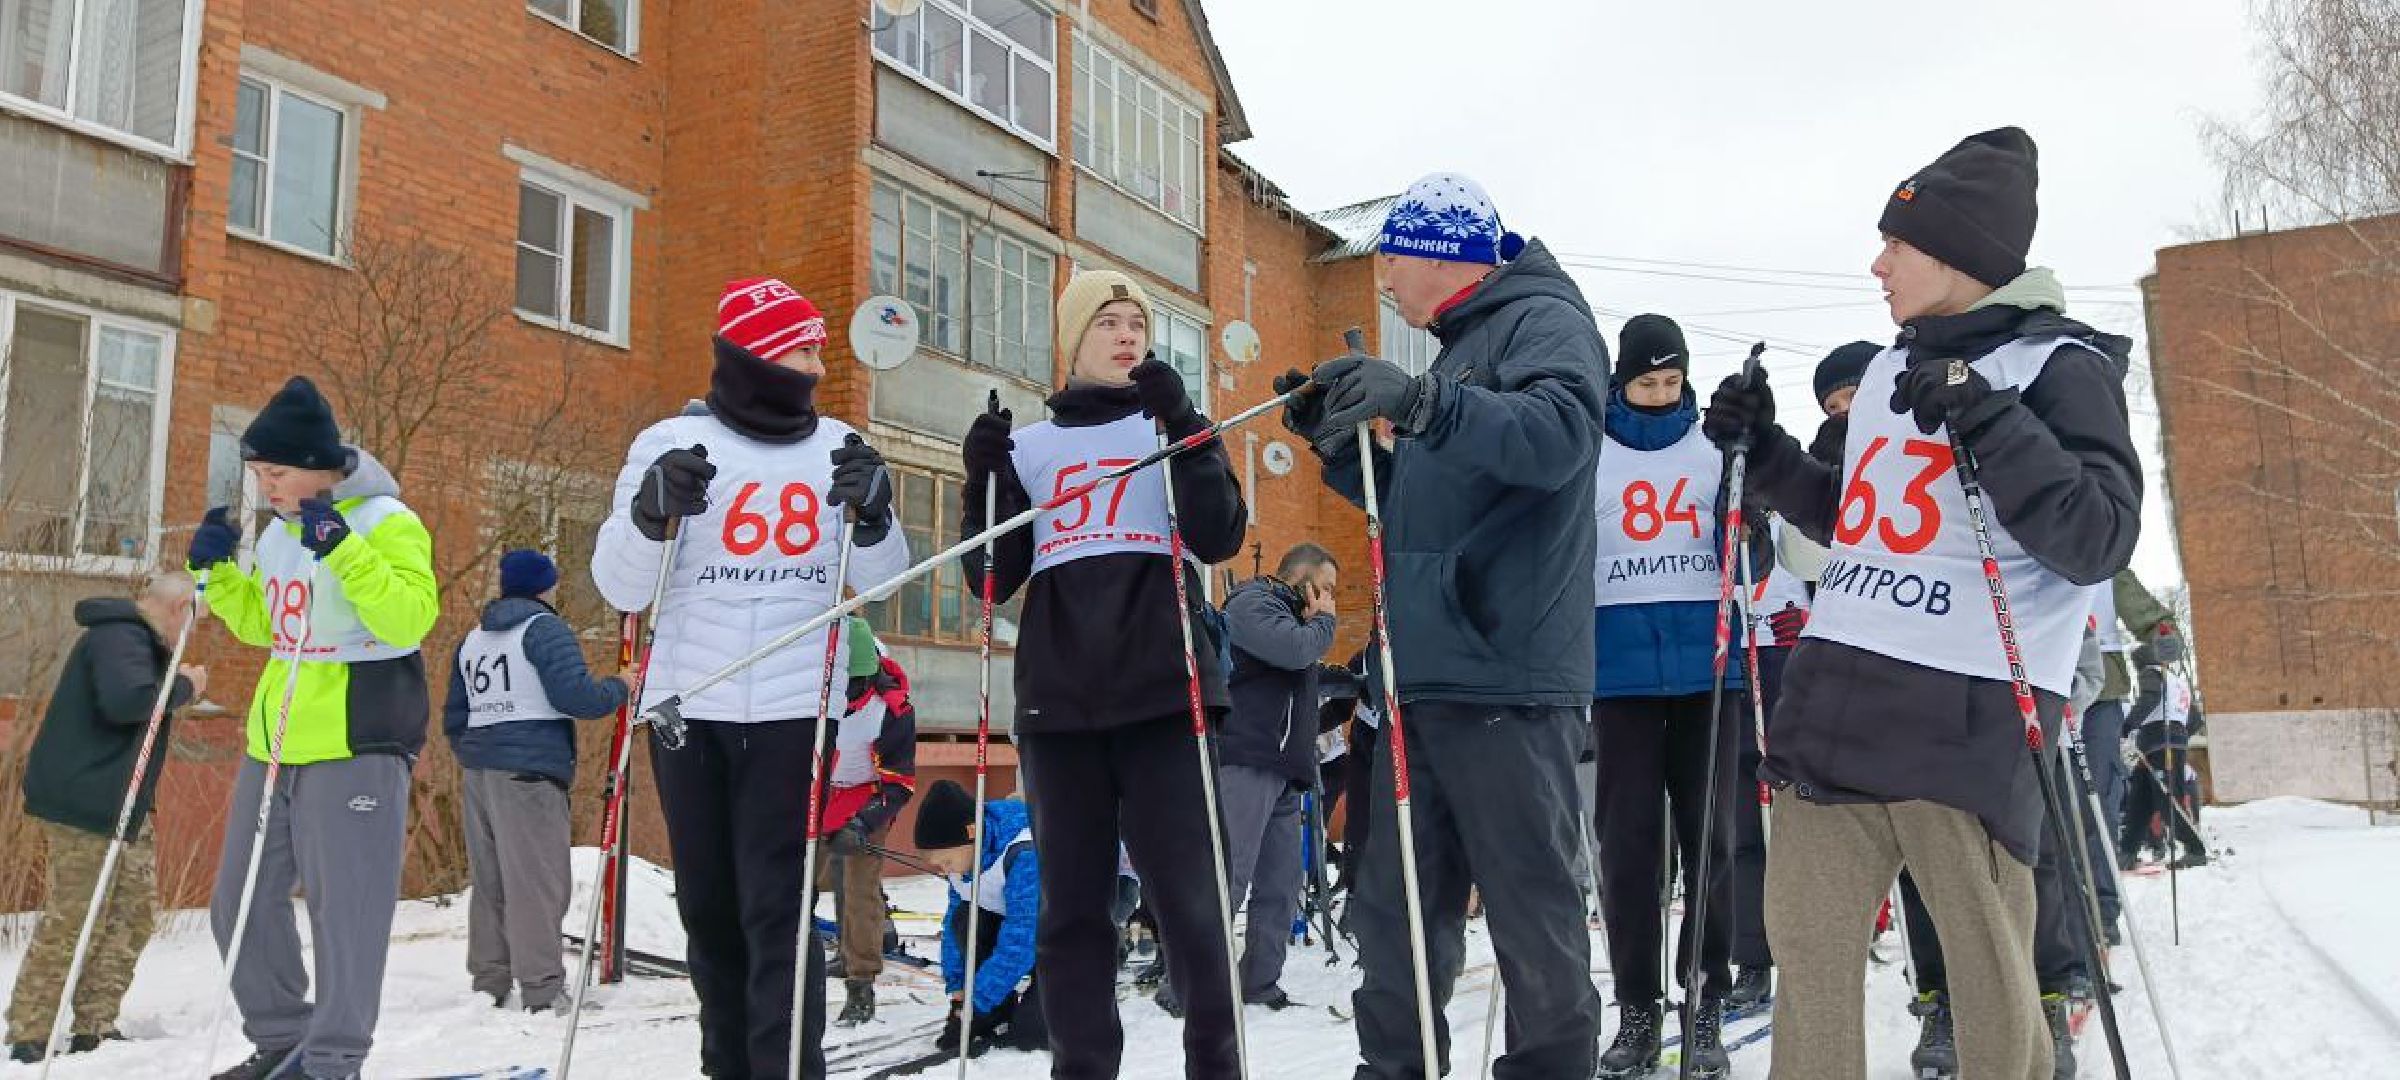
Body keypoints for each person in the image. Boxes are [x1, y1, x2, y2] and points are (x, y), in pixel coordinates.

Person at [1704, 127, 2142, 1080]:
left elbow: (2098, 538)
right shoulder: (1890, 378)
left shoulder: (2058, 369)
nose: (1878, 263)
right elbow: (1857, 521)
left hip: (1967, 723)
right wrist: (1770, 454)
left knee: (1988, 983)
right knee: (1810, 964)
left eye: (1896, 246)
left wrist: (1993, 420)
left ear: (1959, 254)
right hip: (1835, 713)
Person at [1278, 171, 1606, 1079]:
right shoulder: (1459, 352)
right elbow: (1424, 508)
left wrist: (1421, 403)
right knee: (1393, 915)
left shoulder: (1547, 321)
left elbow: (1559, 439)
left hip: (1506, 673)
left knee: (1530, 916)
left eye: (1391, 257)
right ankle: (1395, 1069)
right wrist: (1340, 449)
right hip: (1420, 679)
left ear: (1442, 253)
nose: (1380, 277)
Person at [591, 278, 907, 1080]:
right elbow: (622, 588)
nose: (816, 368)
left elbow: (884, 579)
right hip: (689, 706)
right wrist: (648, 515)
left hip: (797, 709)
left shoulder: (837, 441)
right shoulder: (669, 441)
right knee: (709, 911)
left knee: (778, 910)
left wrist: (873, 513)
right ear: (756, 353)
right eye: (801, 350)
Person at [957, 268, 1247, 1078]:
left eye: (1137, 325)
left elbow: (1220, 533)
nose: (1127, 336)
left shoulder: (1172, 428)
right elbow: (988, 577)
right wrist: (981, 478)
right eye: (1108, 323)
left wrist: (1186, 424)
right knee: (1072, 912)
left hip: (1164, 694)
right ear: (1073, 340)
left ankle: (1216, 1065)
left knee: (1190, 904)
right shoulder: (1033, 447)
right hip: (1061, 708)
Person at [188, 376, 441, 1080]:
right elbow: (273, 629)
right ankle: (281, 1041)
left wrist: (344, 549)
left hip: (356, 736)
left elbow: (408, 620)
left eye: (276, 471)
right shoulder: (280, 536)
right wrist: (217, 578)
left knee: (346, 913)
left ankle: (332, 1062)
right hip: (275, 740)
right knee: (237, 903)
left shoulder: (388, 519)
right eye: (258, 474)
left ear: (319, 465)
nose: (265, 486)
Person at [1583, 313, 1764, 1079]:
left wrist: (1746, 512)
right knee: (1628, 849)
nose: (1660, 396)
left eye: (1671, 381)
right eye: (1646, 382)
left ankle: (1707, 1004)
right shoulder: (1592, 450)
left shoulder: (1715, 446)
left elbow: (1748, 558)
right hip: (1619, 671)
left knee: (1711, 843)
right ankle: (1636, 1008)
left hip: (1707, 670)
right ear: (1621, 380)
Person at [5, 575, 203, 1062]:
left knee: (131, 914)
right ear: (180, 608)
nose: (191, 635)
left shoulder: (134, 640)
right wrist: (185, 686)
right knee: (76, 916)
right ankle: (31, 1031)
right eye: (195, 621)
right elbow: (127, 701)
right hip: (87, 803)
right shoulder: (120, 636)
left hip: (119, 804)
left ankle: (95, 1024)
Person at [443, 549, 630, 1013]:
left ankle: (490, 982)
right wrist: (622, 685)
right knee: (538, 882)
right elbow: (576, 696)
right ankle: (543, 991)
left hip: (479, 772)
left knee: (492, 882)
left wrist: (474, 754)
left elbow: (455, 715)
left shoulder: (474, 639)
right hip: (528, 772)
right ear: (547, 586)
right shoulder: (544, 629)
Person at [1196, 542, 1339, 1011]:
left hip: (1283, 769)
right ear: (1301, 578)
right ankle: (1188, 985)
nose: (1330, 599)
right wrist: (1324, 621)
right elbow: (1296, 652)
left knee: (1281, 884)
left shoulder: (1294, 621)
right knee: (1229, 877)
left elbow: (1304, 672)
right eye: (1327, 588)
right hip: (1247, 758)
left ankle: (1258, 982)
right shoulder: (1254, 602)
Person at [818, 616, 918, 1025]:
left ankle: (861, 982)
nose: (852, 693)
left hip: (868, 795)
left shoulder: (892, 710)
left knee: (859, 888)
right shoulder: (810, 692)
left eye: (859, 683)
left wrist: (863, 822)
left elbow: (900, 783)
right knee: (793, 880)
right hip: (819, 790)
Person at [913, 780, 1045, 1059]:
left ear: (971, 835)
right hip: (1020, 925)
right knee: (966, 918)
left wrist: (978, 1001)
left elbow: (1021, 940)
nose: (945, 870)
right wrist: (959, 987)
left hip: (1067, 931)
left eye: (947, 861)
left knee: (1034, 1035)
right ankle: (998, 1007)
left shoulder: (1023, 852)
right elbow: (953, 924)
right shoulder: (965, 859)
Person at [2121, 635, 2206, 868]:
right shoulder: (2177, 681)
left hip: (2160, 744)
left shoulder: (2151, 673)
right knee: (2140, 800)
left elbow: (2150, 697)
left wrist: (2127, 725)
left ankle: (2196, 849)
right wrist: (2180, 736)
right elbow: (2195, 719)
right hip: (2163, 744)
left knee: (2168, 801)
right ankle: (2127, 851)